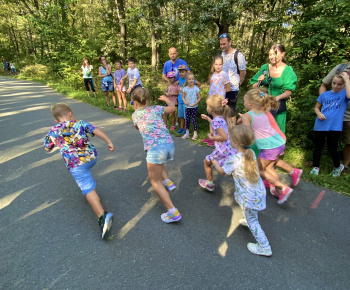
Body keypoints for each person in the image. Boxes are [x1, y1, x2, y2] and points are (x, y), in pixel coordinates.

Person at [43, 103, 115, 239]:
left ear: (56, 120)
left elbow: (47, 148)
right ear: (70, 113)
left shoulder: (54, 130)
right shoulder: (79, 123)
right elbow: (95, 130)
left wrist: (55, 142)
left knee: (88, 189)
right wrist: (108, 141)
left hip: (75, 164)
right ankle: (92, 189)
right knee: (87, 176)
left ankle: (102, 217)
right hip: (91, 157)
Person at [212, 125, 272, 257]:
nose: (229, 141)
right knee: (251, 213)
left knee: (253, 222)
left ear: (237, 142)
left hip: (249, 196)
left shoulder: (234, 159)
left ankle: (264, 247)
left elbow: (222, 172)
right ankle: (249, 218)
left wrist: (216, 163)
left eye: (231, 139)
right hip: (258, 192)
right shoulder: (250, 154)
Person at [241, 88, 303, 204]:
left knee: (257, 170)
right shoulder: (264, 111)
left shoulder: (247, 115)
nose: (243, 104)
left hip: (269, 147)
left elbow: (247, 133)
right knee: (269, 167)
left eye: (244, 101)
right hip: (278, 143)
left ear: (250, 103)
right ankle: (279, 192)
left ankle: (282, 187)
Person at [131, 87, 181, 224]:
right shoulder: (156, 109)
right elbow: (172, 109)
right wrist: (166, 100)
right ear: (148, 100)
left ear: (135, 103)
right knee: (159, 164)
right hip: (169, 145)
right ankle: (168, 182)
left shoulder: (135, 115)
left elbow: (137, 127)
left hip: (155, 148)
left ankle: (173, 212)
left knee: (155, 182)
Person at [251, 43, 297, 134]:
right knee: (261, 132)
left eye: (274, 54)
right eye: (270, 54)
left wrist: (277, 98)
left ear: (282, 54)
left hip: (278, 106)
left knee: (277, 133)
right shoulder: (265, 68)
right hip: (263, 104)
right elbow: (254, 86)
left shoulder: (288, 70)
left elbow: (288, 92)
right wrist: (259, 81)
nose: (272, 57)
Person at [310, 72, 350, 177]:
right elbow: (316, 107)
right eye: (334, 83)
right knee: (318, 147)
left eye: (339, 84)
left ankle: (337, 167)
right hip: (320, 125)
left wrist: (347, 80)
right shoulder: (324, 95)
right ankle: (315, 167)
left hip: (335, 126)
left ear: (344, 85)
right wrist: (318, 113)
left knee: (333, 148)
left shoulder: (344, 95)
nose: (336, 86)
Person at [198, 94, 236, 191]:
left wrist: (212, 137)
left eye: (207, 106)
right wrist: (208, 119)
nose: (207, 107)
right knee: (232, 170)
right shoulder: (221, 118)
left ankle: (209, 184)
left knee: (206, 162)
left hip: (222, 150)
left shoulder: (216, 121)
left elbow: (224, 136)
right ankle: (245, 184)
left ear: (211, 109)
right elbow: (217, 126)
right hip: (229, 148)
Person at [319, 62, 350, 173]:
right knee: (323, 138)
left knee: (348, 141)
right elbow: (324, 84)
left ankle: (344, 166)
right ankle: (316, 162)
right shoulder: (341, 67)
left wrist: (347, 80)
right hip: (331, 113)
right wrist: (325, 103)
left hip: (348, 116)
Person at [202, 55, 230, 146]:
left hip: (219, 100)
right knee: (211, 116)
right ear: (213, 65)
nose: (218, 66)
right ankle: (211, 135)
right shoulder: (212, 74)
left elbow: (227, 88)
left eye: (220, 64)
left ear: (222, 65)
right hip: (211, 99)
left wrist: (225, 100)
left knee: (217, 118)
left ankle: (217, 136)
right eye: (216, 64)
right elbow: (212, 87)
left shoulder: (224, 74)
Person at [219, 33, 246, 124]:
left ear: (229, 42)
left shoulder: (238, 55)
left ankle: (232, 134)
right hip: (221, 88)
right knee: (221, 110)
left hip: (232, 89)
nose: (222, 46)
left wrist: (238, 84)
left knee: (230, 111)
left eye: (224, 44)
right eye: (221, 44)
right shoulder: (220, 55)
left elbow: (243, 72)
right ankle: (224, 133)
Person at [176, 65, 201, 135]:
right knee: (181, 115)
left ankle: (185, 129)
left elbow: (198, 83)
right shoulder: (180, 80)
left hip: (186, 102)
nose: (181, 73)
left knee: (185, 116)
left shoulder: (188, 79)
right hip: (180, 100)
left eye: (183, 72)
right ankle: (181, 128)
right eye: (180, 72)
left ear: (186, 72)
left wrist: (194, 90)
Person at [182, 72, 201, 140]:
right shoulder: (185, 89)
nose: (191, 80)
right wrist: (185, 102)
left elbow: (199, 98)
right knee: (187, 120)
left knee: (193, 120)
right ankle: (187, 133)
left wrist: (195, 104)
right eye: (189, 79)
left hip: (194, 107)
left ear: (194, 80)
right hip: (187, 107)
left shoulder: (196, 88)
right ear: (187, 80)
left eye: (192, 79)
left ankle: (195, 134)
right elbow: (183, 97)